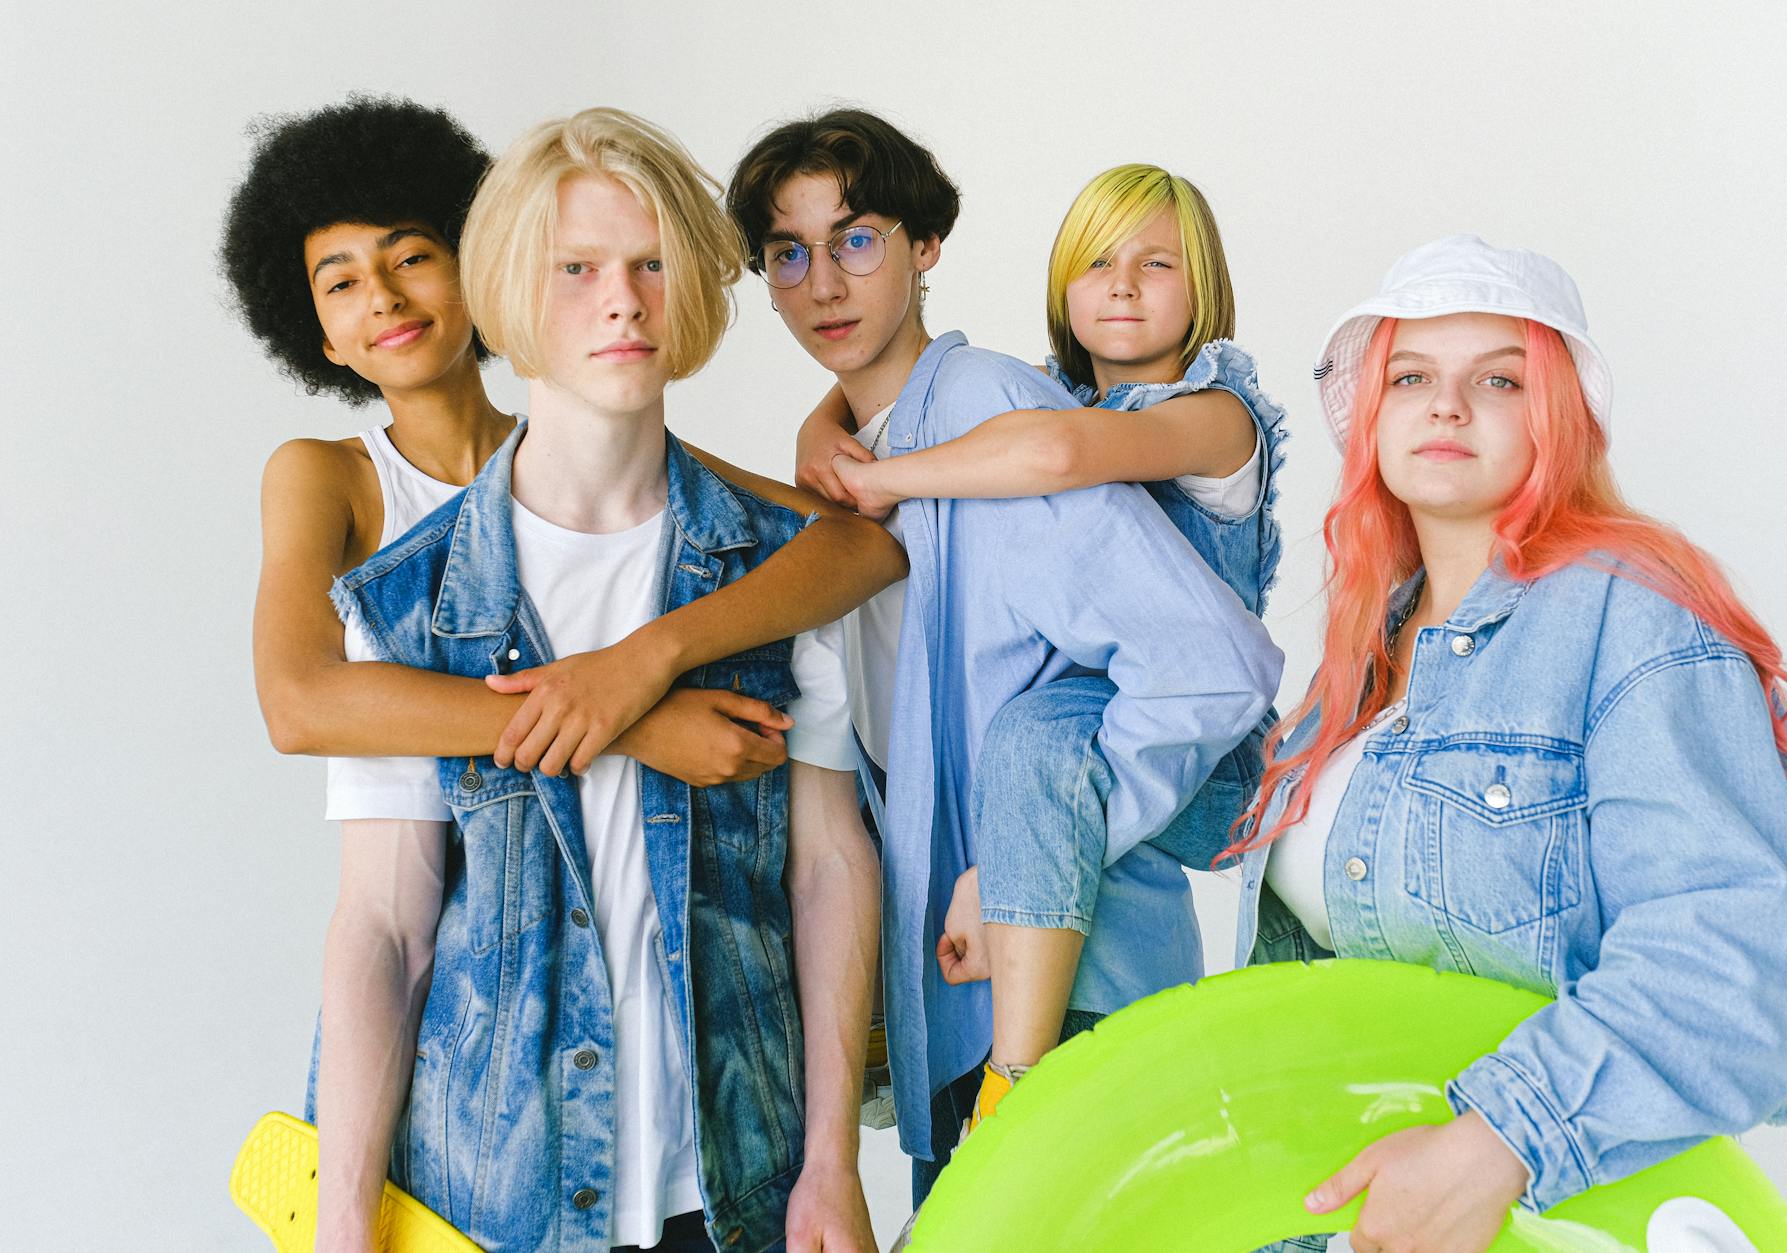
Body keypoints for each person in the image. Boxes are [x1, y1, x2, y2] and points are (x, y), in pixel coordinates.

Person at [269, 106, 893, 1251]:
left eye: (652, 264)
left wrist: (830, 1162)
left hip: (740, 1184)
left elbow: (827, 865)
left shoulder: (775, 570)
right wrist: (342, 1218)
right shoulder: (407, 601)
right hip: (490, 1193)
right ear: (509, 287)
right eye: (577, 269)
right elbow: (382, 925)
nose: (623, 301)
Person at [1228, 235, 1787, 1252]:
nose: (1445, 405)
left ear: (1553, 418)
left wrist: (1498, 1137)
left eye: (1496, 379)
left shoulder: (1632, 622)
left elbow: (1734, 959)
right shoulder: (1361, 660)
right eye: (1409, 375)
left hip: (1551, 1219)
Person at [726, 111, 1284, 1209]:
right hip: (958, 1000)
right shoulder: (889, 444)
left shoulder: (990, 405)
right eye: (787, 254)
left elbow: (1208, 662)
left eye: (856, 238)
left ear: (924, 247)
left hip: (1073, 982)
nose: (823, 282)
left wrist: (1019, 879)